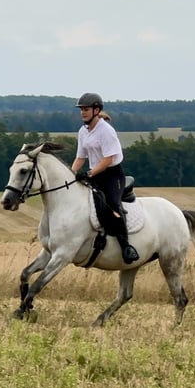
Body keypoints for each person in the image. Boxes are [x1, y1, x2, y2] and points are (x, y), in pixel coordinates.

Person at [71, 92, 139, 264]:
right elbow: (80, 157)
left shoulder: (106, 131)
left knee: (112, 205)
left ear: (96, 110)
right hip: (95, 174)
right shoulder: (83, 131)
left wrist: (89, 173)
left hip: (112, 175)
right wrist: (70, 175)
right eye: (81, 110)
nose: (82, 113)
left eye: (86, 109)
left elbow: (108, 159)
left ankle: (126, 247)